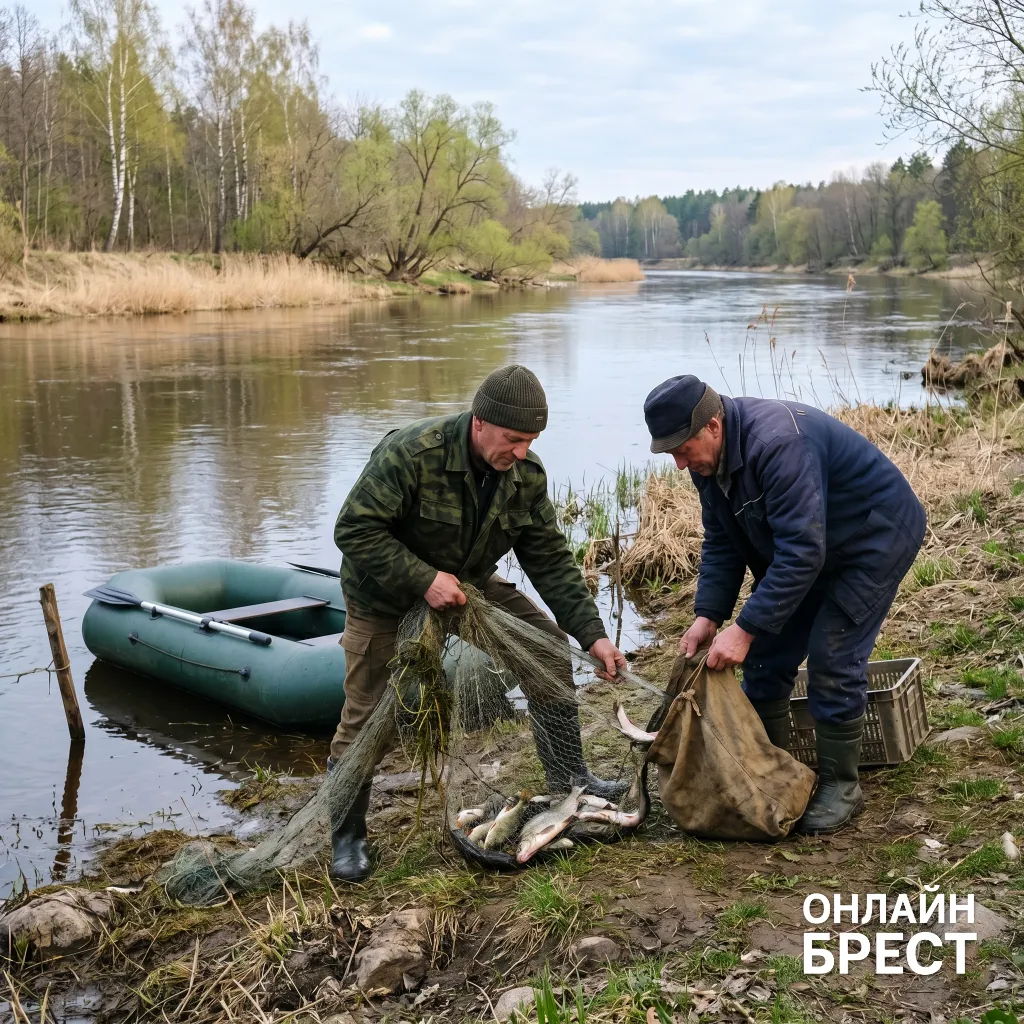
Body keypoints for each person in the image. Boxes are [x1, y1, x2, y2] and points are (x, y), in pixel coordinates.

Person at [328, 364, 628, 881]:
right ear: (480, 422)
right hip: (384, 597)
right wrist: (423, 579)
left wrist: (594, 635)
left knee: (547, 651)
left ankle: (571, 781)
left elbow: (551, 561)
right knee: (365, 718)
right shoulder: (412, 453)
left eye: (531, 441)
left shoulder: (525, 476)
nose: (521, 452)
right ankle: (348, 839)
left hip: (468, 587)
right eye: (513, 439)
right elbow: (353, 530)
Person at [644, 375, 926, 834]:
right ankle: (775, 770)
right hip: (811, 548)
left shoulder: (777, 443)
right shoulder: (707, 466)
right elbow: (722, 543)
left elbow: (801, 553)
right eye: (670, 452)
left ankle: (841, 785)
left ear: (713, 425)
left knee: (833, 655)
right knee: (765, 658)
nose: (679, 463)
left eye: (682, 448)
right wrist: (709, 617)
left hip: (874, 538)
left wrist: (745, 627)